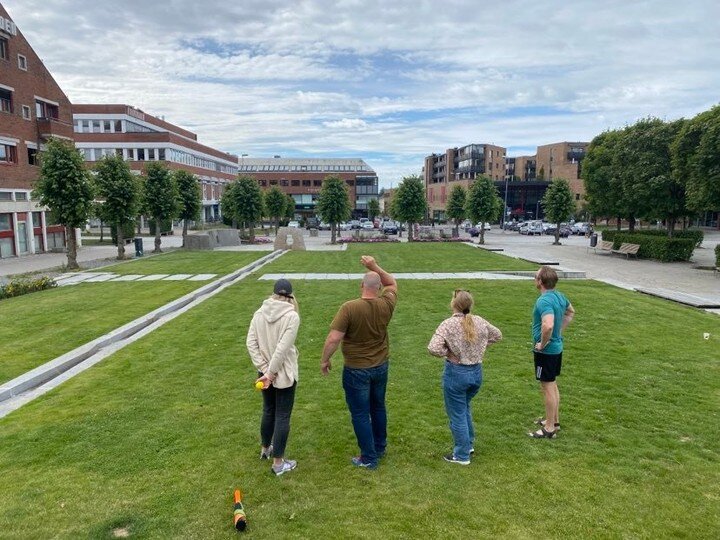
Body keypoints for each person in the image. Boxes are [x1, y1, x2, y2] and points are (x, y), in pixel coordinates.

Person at [320, 256, 398, 469]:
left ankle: (369, 457)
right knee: (378, 407)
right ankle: (379, 447)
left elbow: (333, 338)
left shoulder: (349, 308)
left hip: (356, 370)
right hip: (381, 366)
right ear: (379, 287)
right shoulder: (387, 303)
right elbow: (392, 283)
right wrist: (374, 266)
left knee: (361, 413)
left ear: (361, 285)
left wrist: (325, 360)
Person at [427, 290, 502, 465]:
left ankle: (461, 455)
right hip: (476, 373)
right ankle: (467, 445)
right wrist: (480, 347)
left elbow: (433, 348)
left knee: (457, 414)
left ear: (453, 304)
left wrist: (450, 353)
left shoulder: (448, 324)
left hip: (457, 374)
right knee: (464, 407)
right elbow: (497, 335)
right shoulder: (480, 321)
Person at [246, 279, 300, 475]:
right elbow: (282, 349)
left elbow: (252, 344)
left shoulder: (261, 313)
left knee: (269, 410)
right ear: (290, 296)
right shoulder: (291, 316)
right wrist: (269, 372)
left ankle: (265, 450)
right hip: (282, 373)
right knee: (281, 415)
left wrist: (265, 371)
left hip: (266, 373)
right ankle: (278, 463)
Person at [529, 266, 575, 439]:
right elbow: (571, 311)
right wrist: (560, 330)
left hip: (547, 352)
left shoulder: (544, 301)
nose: (534, 279)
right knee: (552, 384)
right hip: (557, 348)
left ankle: (549, 428)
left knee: (547, 386)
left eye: (535, 277)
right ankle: (554, 421)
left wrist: (543, 343)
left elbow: (547, 324)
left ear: (540, 281)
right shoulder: (560, 296)